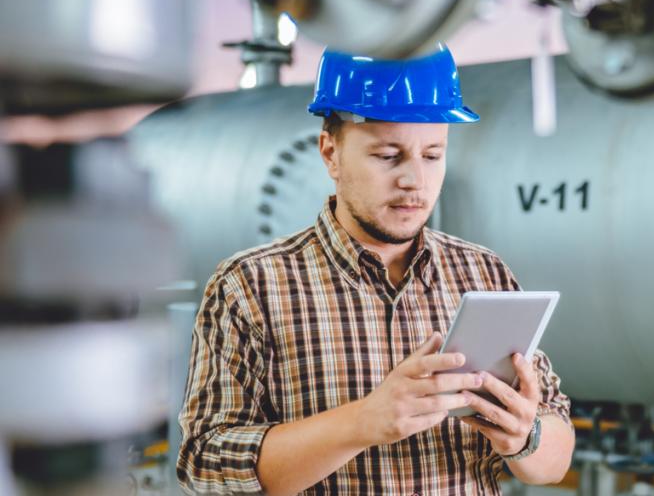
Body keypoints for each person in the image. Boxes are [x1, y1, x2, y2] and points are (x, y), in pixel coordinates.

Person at [177, 44, 575, 495]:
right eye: (388, 156)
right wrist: (363, 422)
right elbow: (204, 466)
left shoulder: (484, 274)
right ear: (331, 153)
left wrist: (526, 438)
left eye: (432, 155)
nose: (414, 181)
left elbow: (555, 452)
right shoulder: (250, 286)